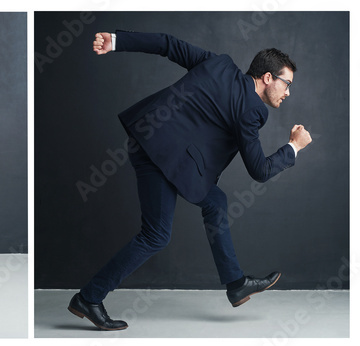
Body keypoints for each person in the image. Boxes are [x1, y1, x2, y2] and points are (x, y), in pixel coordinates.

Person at [67, 31, 313, 331]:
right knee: (156, 235)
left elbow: (169, 45)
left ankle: (236, 284)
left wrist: (117, 41)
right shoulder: (251, 110)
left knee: (215, 201)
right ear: (266, 77)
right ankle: (89, 297)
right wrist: (293, 148)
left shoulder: (220, 64)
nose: (287, 92)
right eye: (286, 83)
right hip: (161, 157)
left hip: (153, 142)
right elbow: (259, 170)